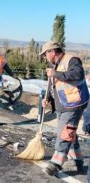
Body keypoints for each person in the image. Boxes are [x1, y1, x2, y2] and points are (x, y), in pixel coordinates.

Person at [39, 41, 89, 176]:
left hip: (75, 103)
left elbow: (78, 75)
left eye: (45, 54)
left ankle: (56, 163)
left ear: (52, 52)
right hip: (63, 104)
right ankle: (79, 161)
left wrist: (55, 73)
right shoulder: (54, 65)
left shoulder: (72, 60)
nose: (44, 57)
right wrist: (47, 98)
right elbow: (53, 85)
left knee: (65, 134)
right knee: (70, 134)